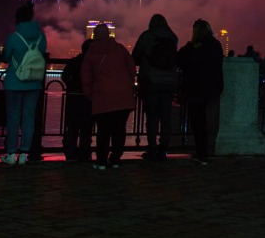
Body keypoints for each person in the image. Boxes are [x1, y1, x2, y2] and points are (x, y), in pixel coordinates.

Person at [81, 23, 135, 170]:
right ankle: (116, 159)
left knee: (103, 131)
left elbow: (85, 76)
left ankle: (101, 161)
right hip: (123, 98)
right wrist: (128, 86)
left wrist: (89, 94)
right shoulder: (120, 49)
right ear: (110, 34)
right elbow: (132, 69)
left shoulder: (91, 52)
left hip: (102, 96)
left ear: (94, 35)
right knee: (119, 130)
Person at [0, 1, 47, 165]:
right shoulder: (41, 37)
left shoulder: (13, 37)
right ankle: (25, 154)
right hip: (34, 82)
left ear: (17, 19)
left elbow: (5, 58)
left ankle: (11, 154)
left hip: (14, 82)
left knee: (13, 118)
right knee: (29, 118)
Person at [131, 13, 180, 162]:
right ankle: (163, 149)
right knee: (166, 118)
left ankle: (152, 148)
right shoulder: (173, 38)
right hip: (168, 83)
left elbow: (135, 56)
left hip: (150, 82)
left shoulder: (147, 36)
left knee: (151, 117)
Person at [177, 18, 224, 164]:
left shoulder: (192, 47)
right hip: (213, 88)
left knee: (198, 122)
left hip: (195, 89)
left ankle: (202, 152)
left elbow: (180, 60)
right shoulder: (216, 45)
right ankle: (210, 150)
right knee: (211, 121)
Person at [61, 39, 93, 163]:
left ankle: (71, 153)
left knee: (72, 126)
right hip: (87, 98)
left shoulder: (73, 62)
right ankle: (84, 153)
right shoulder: (92, 64)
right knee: (86, 128)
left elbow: (64, 76)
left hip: (73, 97)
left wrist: (71, 86)